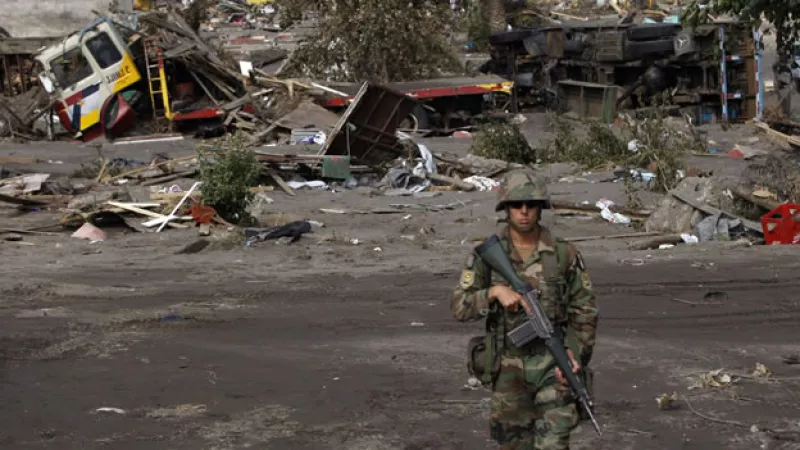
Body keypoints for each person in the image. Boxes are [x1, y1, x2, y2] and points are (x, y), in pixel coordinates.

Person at [450, 170, 599, 450]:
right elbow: (459, 307)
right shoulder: (487, 254)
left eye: (531, 205)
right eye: (517, 204)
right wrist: (493, 293)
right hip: (507, 371)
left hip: (552, 367)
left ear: (541, 208)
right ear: (505, 208)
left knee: (554, 443)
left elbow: (585, 310)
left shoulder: (564, 254)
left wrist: (575, 355)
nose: (524, 211)